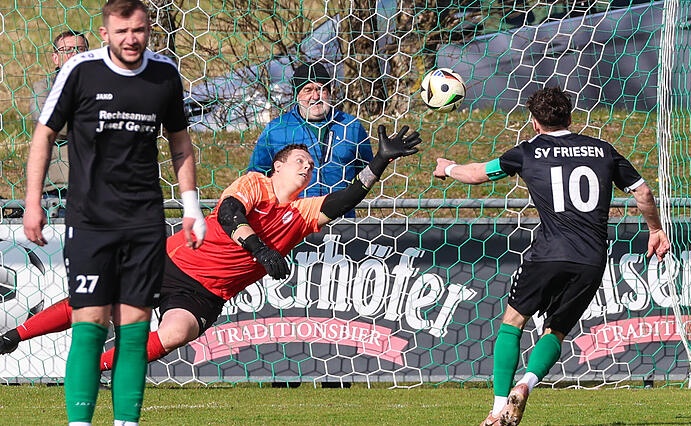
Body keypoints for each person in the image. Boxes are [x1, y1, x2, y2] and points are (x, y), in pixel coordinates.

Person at [7, 131, 419, 371]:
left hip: (205, 292)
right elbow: (228, 212)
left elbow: (344, 201)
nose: (307, 166)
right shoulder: (255, 183)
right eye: (299, 160)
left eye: (310, 164)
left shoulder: (303, 212)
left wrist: (379, 161)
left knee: (176, 333)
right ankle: (12, 336)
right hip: (171, 261)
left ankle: (90, 368)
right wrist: (260, 249)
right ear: (277, 167)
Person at [433, 87, 670, 426]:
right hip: (590, 260)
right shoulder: (602, 150)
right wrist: (655, 229)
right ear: (570, 117)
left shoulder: (528, 151)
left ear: (534, 123)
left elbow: (477, 174)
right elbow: (643, 190)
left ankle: (499, 409)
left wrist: (448, 167)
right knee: (555, 331)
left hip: (547, 254)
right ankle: (526, 384)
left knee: (513, 324)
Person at [22, 0, 206, 426]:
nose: (131, 39)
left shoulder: (164, 75)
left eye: (138, 30)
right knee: (90, 322)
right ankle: (79, 422)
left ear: (147, 30)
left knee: (135, 328)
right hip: (90, 221)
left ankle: (126, 422)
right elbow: (43, 135)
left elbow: (180, 143)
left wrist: (191, 206)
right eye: (121, 31)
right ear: (105, 32)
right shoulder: (80, 70)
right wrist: (33, 202)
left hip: (144, 221)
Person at [248, 61, 373, 216]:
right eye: (308, 90)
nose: (315, 96)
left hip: (341, 218)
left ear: (330, 92)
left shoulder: (351, 126)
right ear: (297, 94)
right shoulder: (277, 129)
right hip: (292, 219)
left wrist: (349, 197)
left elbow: (365, 170)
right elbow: (257, 175)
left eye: (321, 89)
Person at [29, 30, 90, 218]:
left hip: (98, 184)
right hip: (59, 187)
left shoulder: (100, 84)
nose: (74, 54)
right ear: (55, 58)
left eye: (80, 49)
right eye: (67, 50)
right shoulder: (44, 87)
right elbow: (45, 121)